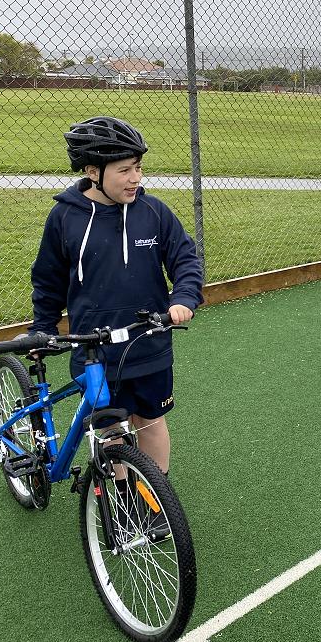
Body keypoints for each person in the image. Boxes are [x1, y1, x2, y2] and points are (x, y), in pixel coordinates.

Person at [29, 116, 204, 481]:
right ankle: (122, 497)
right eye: (124, 170)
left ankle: (155, 499)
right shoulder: (65, 217)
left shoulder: (153, 212)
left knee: (151, 421)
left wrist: (184, 297)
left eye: (138, 167)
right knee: (110, 430)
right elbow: (48, 280)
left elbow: (185, 258)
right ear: (93, 171)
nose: (135, 178)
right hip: (95, 352)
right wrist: (43, 328)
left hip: (149, 342)